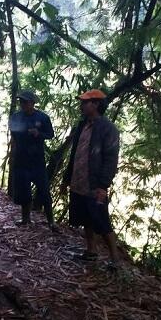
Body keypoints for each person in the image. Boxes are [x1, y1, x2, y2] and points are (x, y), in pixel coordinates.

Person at [61, 89, 121, 270]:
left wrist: (103, 186)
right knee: (85, 218)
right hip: (78, 182)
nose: (82, 105)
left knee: (102, 221)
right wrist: (66, 179)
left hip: (95, 185)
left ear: (95, 104)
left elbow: (111, 159)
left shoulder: (108, 129)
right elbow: (75, 154)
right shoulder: (82, 125)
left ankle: (115, 260)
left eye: (85, 103)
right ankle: (91, 250)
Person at [8, 90, 57, 232]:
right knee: (24, 192)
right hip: (21, 160)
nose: (22, 104)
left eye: (25, 101)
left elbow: (50, 134)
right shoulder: (16, 117)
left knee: (44, 192)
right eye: (21, 101)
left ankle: (51, 222)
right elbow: (13, 133)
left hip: (37, 162)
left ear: (32, 103)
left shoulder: (42, 117)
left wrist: (38, 133)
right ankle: (25, 219)